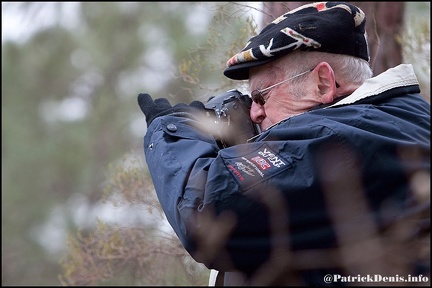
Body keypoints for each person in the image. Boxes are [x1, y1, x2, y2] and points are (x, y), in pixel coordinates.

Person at [137, 2, 430, 286]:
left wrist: (174, 130)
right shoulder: (397, 124)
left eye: (262, 96)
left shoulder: (340, 139)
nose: (254, 112)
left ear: (324, 83)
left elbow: (205, 212)